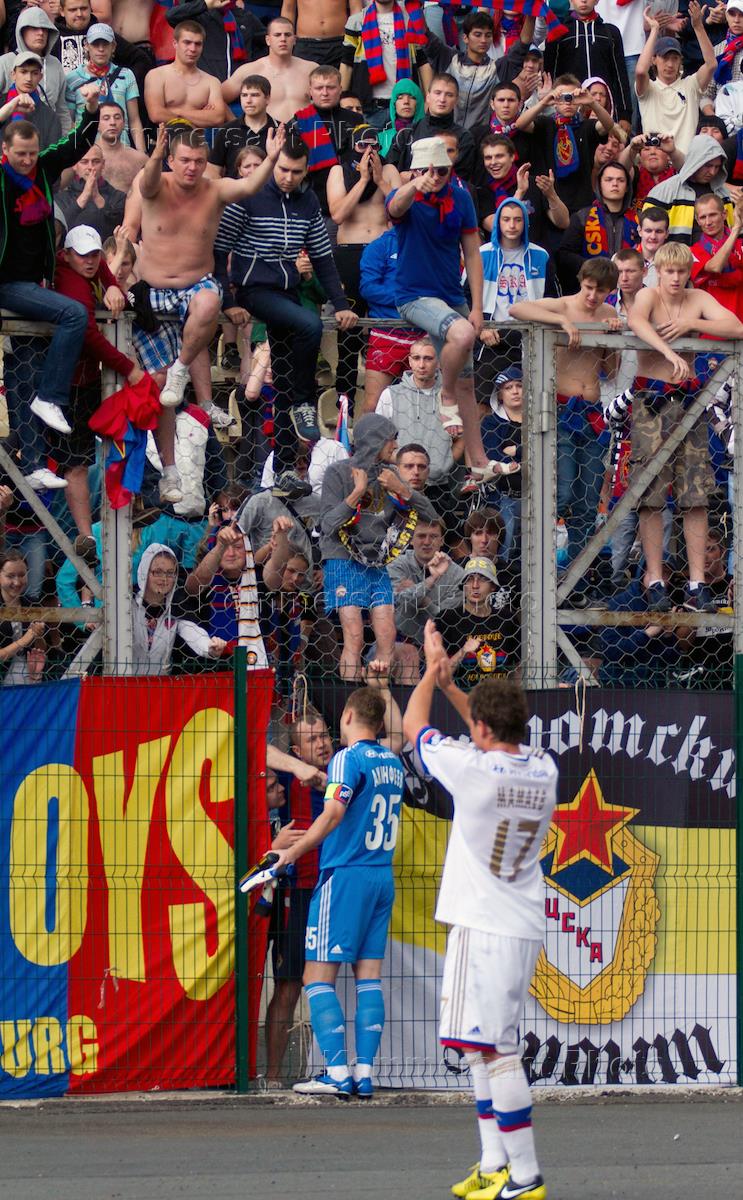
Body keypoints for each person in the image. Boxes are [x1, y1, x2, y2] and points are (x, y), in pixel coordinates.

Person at [402, 623, 558, 1200]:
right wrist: (453, 687)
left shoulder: (472, 770)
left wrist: (431, 673)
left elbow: (413, 726)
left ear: (483, 729)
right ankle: (494, 1163)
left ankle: (526, 1176)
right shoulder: (543, 767)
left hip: (484, 922)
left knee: (496, 1049)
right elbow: (487, 725)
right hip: (518, 919)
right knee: (479, 1045)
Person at [271, 683, 405, 1099]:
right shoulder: (392, 761)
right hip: (381, 876)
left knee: (316, 977)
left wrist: (292, 853)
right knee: (368, 977)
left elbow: (332, 814)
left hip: (345, 875)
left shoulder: (348, 758)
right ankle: (363, 1072)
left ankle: (335, 1072)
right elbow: (399, 736)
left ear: (347, 717)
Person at [133, 120, 285, 476]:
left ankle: (182, 368)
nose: (192, 167)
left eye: (199, 161)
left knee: (209, 300)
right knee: (158, 387)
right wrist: (154, 156)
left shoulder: (214, 190)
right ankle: (169, 470)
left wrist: (271, 158)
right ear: (171, 160)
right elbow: (147, 183)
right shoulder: (156, 184)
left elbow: (249, 185)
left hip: (193, 286)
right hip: (152, 292)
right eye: (185, 160)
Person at [214, 138, 357, 490]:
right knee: (309, 325)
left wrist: (341, 304)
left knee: (284, 379)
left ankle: (283, 469)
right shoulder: (248, 196)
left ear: (306, 170)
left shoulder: (308, 202)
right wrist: (228, 300)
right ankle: (305, 401)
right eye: (283, 170)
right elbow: (219, 250)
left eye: (296, 171)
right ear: (272, 164)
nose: (289, 177)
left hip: (286, 291)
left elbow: (322, 258)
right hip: (254, 289)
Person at [628, 240, 743, 613]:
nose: (676, 278)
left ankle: (697, 582)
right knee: (651, 493)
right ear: (659, 271)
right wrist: (668, 351)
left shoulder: (697, 298)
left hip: (689, 403)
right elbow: (635, 321)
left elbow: (736, 326)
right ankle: (655, 578)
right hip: (652, 400)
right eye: (670, 271)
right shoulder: (647, 295)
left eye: (681, 271)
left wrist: (691, 324)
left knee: (695, 495)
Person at [0, 88, 100, 486]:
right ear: (5, 150)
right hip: (7, 284)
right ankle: (52, 397)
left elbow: (77, 144)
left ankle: (34, 465)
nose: (27, 160)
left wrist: (90, 108)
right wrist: (7, 109)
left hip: (34, 284)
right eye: (20, 154)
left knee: (26, 373)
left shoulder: (41, 169)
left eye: (31, 153)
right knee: (73, 314)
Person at [386, 136, 498, 492]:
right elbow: (395, 208)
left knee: (468, 381)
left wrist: (477, 305)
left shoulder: (460, 198)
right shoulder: (406, 193)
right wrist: (414, 184)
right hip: (413, 296)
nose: (435, 177)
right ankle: (444, 395)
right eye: (429, 170)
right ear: (416, 170)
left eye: (442, 171)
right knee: (462, 336)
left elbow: (473, 253)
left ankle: (478, 462)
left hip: (451, 296)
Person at [510, 259, 622, 571]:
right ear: (581, 281)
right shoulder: (562, 305)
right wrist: (561, 322)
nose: (592, 296)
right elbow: (516, 309)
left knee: (588, 502)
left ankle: (574, 577)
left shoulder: (609, 312)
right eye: (588, 288)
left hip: (592, 415)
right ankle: (533, 569)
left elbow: (611, 371)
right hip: (561, 411)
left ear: (610, 291)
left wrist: (613, 339)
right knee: (562, 492)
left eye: (600, 291)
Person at [319, 412, 437, 679]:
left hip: (376, 562)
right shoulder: (337, 472)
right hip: (343, 559)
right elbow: (327, 525)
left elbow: (431, 516)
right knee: (355, 636)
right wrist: (357, 493)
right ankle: (351, 698)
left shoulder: (390, 475)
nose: (395, 445)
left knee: (387, 635)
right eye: (391, 439)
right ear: (375, 440)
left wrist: (403, 490)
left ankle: (378, 693)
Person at [51, 223, 144, 550]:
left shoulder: (91, 268)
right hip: (70, 383)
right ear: (67, 255)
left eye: (94, 254)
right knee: (76, 462)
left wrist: (112, 284)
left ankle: (110, 526)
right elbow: (89, 336)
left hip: (90, 379)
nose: (90, 261)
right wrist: (128, 367)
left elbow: (103, 269)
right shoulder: (72, 283)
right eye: (82, 255)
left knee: (110, 447)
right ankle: (86, 535)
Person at [327, 123, 396, 410]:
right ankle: (345, 404)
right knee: (349, 328)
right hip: (350, 253)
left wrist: (379, 180)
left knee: (387, 325)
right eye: (362, 146)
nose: (369, 152)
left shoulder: (389, 170)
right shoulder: (339, 171)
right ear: (352, 146)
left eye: (374, 146)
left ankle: (387, 402)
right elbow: (338, 214)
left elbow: (402, 210)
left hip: (383, 253)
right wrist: (362, 179)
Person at [416, 11, 538, 132]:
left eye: (488, 35)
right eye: (478, 35)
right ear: (465, 38)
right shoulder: (449, 59)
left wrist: (531, 13)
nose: (483, 40)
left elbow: (523, 44)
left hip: (481, 138)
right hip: (444, 135)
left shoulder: (497, 68)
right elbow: (425, 35)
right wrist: (415, 8)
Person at [512, 75, 617, 214]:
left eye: (571, 97)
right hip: (552, 201)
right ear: (555, 102)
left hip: (583, 201)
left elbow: (608, 125)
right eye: (562, 97)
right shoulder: (546, 124)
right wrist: (544, 102)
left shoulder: (587, 126)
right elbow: (520, 124)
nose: (567, 102)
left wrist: (592, 102)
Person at [375, 337, 460, 490]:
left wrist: (445, 463)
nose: (421, 365)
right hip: (397, 484)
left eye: (428, 358)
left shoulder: (453, 396)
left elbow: (464, 437)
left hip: (438, 485)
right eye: (416, 358)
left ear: (439, 362)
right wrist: (404, 463)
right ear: (410, 361)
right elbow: (378, 440)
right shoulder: (391, 395)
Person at [132, 543, 226, 674]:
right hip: (123, 682)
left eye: (170, 573)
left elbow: (192, 632)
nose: (164, 578)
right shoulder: (128, 605)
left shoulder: (177, 606)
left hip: (160, 683)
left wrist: (209, 647)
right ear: (144, 572)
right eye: (157, 572)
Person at [635, 5, 716, 155]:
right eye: (664, 58)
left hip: (685, 162)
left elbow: (711, 64)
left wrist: (698, 27)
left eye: (674, 58)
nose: (670, 64)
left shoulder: (691, 85)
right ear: (654, 60)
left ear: (680, 61)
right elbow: (640, 71)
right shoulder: (649, 88)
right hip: (655, 159)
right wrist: (654, 30)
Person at [359, 222, 420, 410]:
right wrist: (406, 298)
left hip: (423, 336)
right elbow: (368, 288)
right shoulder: (379, 246)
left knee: (421, 407)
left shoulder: (431, 246)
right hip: (386, 334)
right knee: (373, 405)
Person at [543, 0, 632, 129]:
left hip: (605, 109)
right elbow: (550, 75)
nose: (584, 1)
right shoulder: (559, 31)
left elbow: (620, 75)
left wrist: (625, 114)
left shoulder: (610, 32)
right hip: (570, 108)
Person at [476, 134, 569, 250]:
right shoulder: (482, 192)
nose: (493, 162)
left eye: (499, 156)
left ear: (512, 156)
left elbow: (563, 222)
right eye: (488, 158)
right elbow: (495, 226)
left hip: (536, 256)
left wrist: (551, 195)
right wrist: (519, 193)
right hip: (501, 258)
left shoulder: (535, 183)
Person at [557, 161, 639, 291]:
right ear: (599, 185)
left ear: (627, 187)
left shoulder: (639, 220)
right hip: (592, 290)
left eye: (621, 180)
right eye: (609, 179)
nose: (615, 184)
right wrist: (593, 267)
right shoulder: (582, 217)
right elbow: (564, 254)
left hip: (630, 290)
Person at [340, 0, 427, 122]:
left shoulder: (411, 20)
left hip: (404, 105)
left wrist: (428, 99)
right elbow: (347, 63)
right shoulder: (356, 21)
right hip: (368, 106)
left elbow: (423, 61)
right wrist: (342, 99)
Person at [64, 22, 145, 150]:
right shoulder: (72, 78)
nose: (101, 49)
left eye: (105, 44)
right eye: (95, 44)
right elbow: (70, 123)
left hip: (122, 150)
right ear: (86, 46)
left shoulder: (126, 75)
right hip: (87, 153)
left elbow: (134, 120)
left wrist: (142, 154)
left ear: (113, 46)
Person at [643, 132, 733, 246]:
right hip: (673, 256)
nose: (712, 172)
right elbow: (647, 235)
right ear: (695, 161)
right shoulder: (662, 192)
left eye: (717, 167)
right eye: (708, 165)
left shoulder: (725, 194)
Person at [388, 515, 464, 646]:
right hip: (400, 642)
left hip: (442, 644)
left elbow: (447, 620)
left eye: (433, 536)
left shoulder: (458, 575)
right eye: (421, 536)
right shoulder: (396, 565)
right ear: (411, 539)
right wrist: (431, 579)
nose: (427, 542)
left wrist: (421, 598)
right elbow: (398, 601)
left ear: (442, 540)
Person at [224, 16, 317, 124]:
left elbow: (329, 101)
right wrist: (237, 125)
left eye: (287, 35)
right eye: (277, 35)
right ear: (268, 40)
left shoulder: (311, 69)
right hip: (268, 132)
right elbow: (218, 98)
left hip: (305, 132)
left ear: (295, 39)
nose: (283, 39)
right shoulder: (250, 70)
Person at [384, 71, 475, 180]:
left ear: (456, 101)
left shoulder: (464, 137)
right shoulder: (406, 133)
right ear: (428, 97)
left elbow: (461, 178)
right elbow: (388, 172)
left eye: (449, 95)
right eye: (437, 93)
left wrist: (412, 177)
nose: (442, 99)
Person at [144, 19, 231, 128]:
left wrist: (177, 112)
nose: (193, 49)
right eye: (187, 42)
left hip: (199, 138)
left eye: (198, 44)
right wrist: (201, 115)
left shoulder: (212, 82)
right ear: (175, 43)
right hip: (167, 137)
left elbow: (217, 118)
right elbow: (156, 115)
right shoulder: (156, 76)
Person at [0, 8, 71, 136]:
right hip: (8, 138)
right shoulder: (4, 62)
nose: (41, 33)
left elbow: (62, 110)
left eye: (45, 29)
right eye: (34, 28)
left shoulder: (55, 64)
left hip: (48, 137)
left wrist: (65, 142)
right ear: (21, 31)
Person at [163, 0, 266, 84]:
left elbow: (268, 42)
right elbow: (171, 16)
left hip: (240, 92)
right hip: (205, 90)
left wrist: (251, 64)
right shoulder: (199, 15)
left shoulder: (245, 16)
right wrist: (205, 4)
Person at [207, 73, 276, 177]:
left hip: (271, 187)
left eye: (254, 95)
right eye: (244, 95)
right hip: (234, 187)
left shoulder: (281, 131)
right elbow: (213, 170)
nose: (248, 100)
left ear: (267, 99)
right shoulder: (226, 131)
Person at [56, 140, 126, 239]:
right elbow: (59, 230)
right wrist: (84, 196)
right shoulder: (60, 198)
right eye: (84, 162)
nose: (90, 167)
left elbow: (115, 229)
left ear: (103, 164)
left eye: (96, 161)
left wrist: (97, 196)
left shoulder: (118, 197)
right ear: (74, 165)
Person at [691, 191, 743, 321]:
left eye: (712, 215)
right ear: (697, 221)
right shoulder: (693, 251)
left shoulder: (741, 245)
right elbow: (715, 267)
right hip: (712, 327)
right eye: (703, 217)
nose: (708, 222)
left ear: (724, 214)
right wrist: (736, 229)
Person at [0, 549, 46, 686]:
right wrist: (26, 638)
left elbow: (42, 648)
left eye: (22, 575)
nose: (17, 582)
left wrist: (38, 635)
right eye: (10, 576)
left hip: (30, 677)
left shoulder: (32, 604)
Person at [0, 49, 61, 148]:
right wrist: (10, 107)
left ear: (40, 77)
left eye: (34, 73)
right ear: (13, 75)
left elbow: (52, 153)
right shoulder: (2, 104)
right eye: (23, 72)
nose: (29, 78)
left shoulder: (50, 117)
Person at [619, 131, 683, 210]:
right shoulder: (635, 174)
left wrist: (673, 151)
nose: (652, 152)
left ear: (668, 155)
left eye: (658, 148)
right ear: (640, 157)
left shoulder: (676, 175)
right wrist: (632, 148)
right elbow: (618, 171)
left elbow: (688, 169)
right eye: (646, 149)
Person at [282, 0, 353, 69]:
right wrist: (286, 39)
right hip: (305, 44)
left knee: (343, 76)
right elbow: (288, 10)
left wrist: (354, 39)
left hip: (340, 43)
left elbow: (356, 10)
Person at [95, 99, 147, 192]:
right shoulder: (84, 158)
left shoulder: (140, 159)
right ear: (96, 124)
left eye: (117, 118)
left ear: (123, 124)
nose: (112, 122)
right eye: (106, 118)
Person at [376, 76, 424, 158]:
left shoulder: (428, 136)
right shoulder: (381, 138)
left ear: (419, 103)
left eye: (412, 97)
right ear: (394, 104)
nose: (406, 102)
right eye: (400, 98)